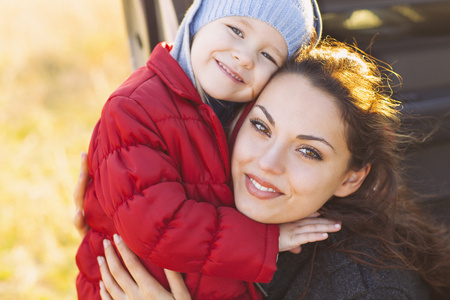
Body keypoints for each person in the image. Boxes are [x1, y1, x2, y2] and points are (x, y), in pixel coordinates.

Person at [75, 38, 450, 299]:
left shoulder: (363, 289)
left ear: (351, 177)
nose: (267, 163)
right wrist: (106, 220)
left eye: (308, 152)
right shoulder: (201, 203)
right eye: (261, 127)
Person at [76, 0, 325, 299]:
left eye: (267, 55)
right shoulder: (135, 108)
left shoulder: (239, 117)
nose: (244, 58)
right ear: (197, 21)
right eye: (236, 30)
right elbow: (158, 226)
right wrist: (267, 242)